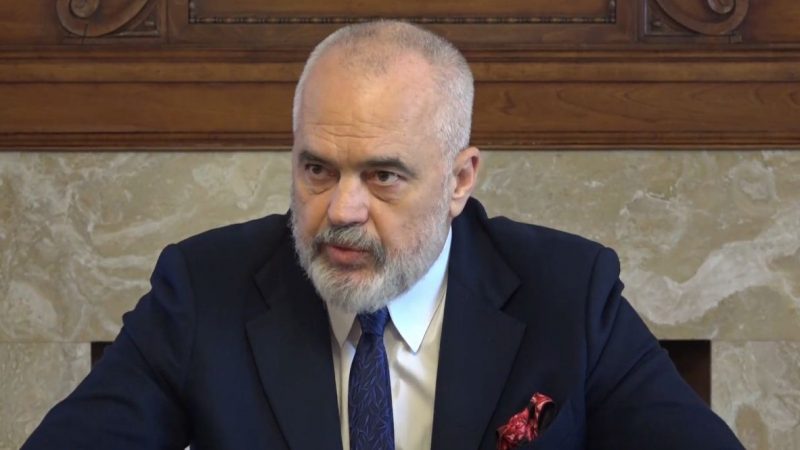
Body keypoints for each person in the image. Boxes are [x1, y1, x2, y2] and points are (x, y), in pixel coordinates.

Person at [23, 21, 743, 450]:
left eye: (383, 176)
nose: (341, 209)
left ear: (460, 179)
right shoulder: (201, 291)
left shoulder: (571, 295)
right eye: (316, 169)